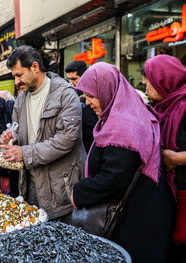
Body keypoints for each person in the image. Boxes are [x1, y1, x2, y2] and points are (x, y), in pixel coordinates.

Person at [70, 62, 175, 263]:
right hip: (143, 209)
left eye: (92, 96)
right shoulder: (125, 114)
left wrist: (80, 192)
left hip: (141, 219)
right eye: (86, 97)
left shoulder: (124, 125)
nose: (88, 103)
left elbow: (115, 177)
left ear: (108, 90)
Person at [0, 45, 86, 220]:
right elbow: (19, 131)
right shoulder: (21, 100)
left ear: (35, 67)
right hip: (31, 187)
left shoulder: (65, 95)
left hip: (62, 189)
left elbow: (67, 139)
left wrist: (24, 153)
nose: (16, 82)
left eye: (19, 75)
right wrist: (12, 137)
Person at [144, 54, 186, 262]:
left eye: (149, 82)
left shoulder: (184, 105)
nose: (145, 88)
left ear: (163, 80)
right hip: (172, 194)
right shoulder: (163, 107)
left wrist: (177, 158)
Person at [65, 61, 98, 152]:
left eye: (74, 79)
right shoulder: (71, 92)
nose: (71, 82)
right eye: (69, 79)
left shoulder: (96, 90)